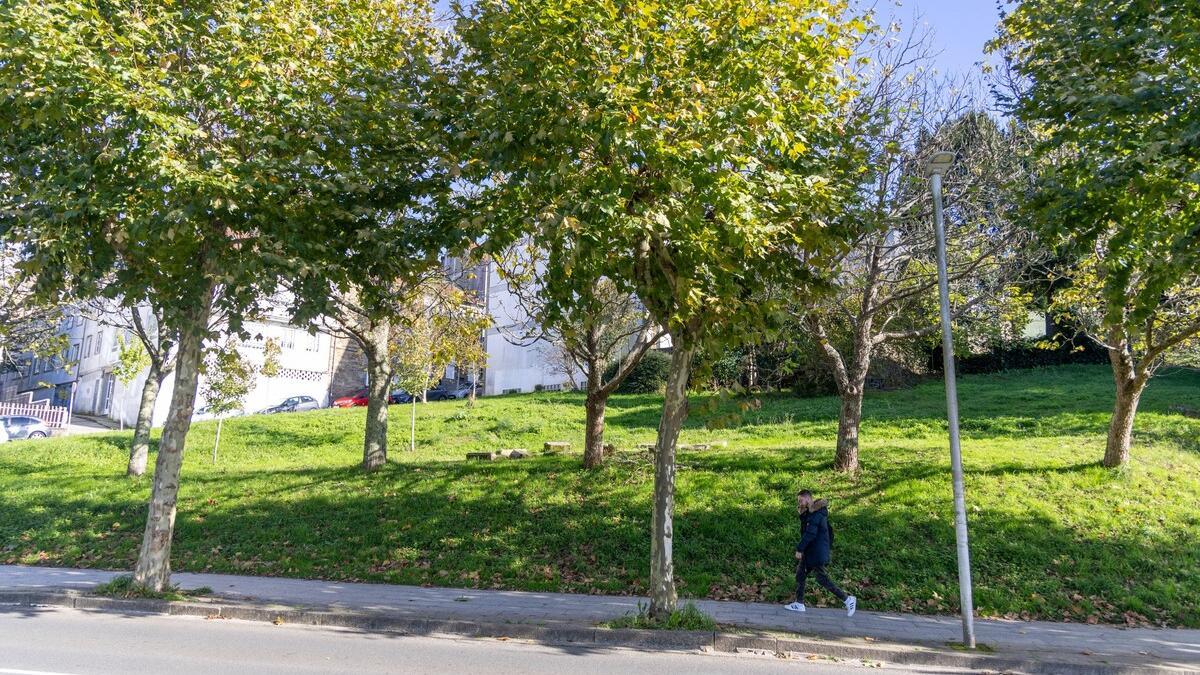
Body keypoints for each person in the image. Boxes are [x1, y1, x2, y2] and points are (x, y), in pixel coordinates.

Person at [785, 489, 856, 616]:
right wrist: (802, 513)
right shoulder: (811, 513)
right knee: (800, 575)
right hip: (811, 551)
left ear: (808, 499)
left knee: (822, 579)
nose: (799, 503)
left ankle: (848, 599)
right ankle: (799, 603)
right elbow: (806, 528)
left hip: (816, 552)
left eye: (800, 500)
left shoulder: (817, 514)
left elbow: (810, 534)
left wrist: (799, 549)